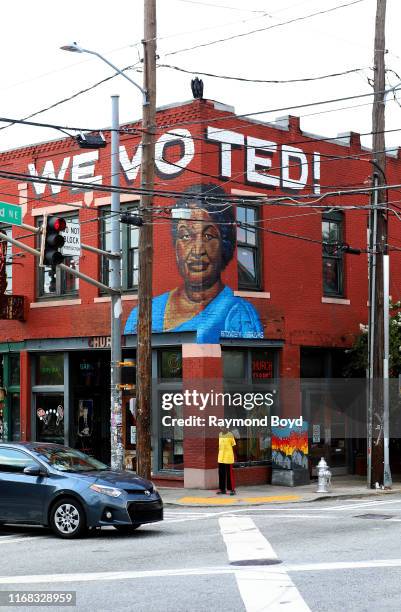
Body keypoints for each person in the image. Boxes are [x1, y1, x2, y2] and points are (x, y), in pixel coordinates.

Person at [124, 184, 263, 344]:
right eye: (185, 236)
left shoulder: (239, 315)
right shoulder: (141, 313)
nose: (197, 250)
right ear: (176, 247)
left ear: (225, 244)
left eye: (209, 236)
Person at [217, 426, 236, 495]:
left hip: (228, 458)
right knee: (221, 474)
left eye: (224, 427)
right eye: (221, 427)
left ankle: (232, 490)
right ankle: (222, 489)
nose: (222, 429)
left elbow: (234, 445)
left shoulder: (230, 435)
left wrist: (234, 456)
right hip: (221, 458)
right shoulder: (220, 434)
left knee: (229, 474)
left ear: (227, 428)